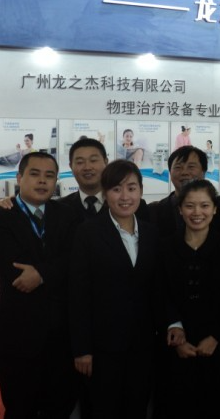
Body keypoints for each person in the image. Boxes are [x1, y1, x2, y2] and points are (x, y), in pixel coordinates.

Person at [69, 160, 159, 419]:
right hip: (102, 348)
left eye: (131, 188)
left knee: (137, 408)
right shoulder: (88, 233)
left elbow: (157, 287)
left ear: (141, 191)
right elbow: (78, 294)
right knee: (103, 409)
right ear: (105, 193)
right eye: (116, 189)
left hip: (143, 345)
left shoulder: (151, 233)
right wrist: (82, 349)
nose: (125, 196)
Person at [0, 152, 78, 419]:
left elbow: (74, 260)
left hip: (62, 338)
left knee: (60, 407)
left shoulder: (68, 215)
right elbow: (11, 268)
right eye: (34, 174)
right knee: (19, 408)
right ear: (19, 177)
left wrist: (42, 273)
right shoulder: (3, 215)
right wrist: (53, 271)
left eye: (49, 176)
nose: (43, 181)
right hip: (18, 336)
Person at [160, 179, 220, 419]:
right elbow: (159, 293)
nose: (197, 212)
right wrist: (175, 330)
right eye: (189, 206)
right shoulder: (165, 247)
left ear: (215, 209)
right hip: (177, 345)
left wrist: (216, 337)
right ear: (180, 209)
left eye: (205, 205)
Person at [148, 145, 220, 235]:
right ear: (170, 172)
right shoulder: (153, 211)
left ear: (203, 172)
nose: (184, 172)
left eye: (191, 167)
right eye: (178, 167)